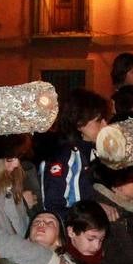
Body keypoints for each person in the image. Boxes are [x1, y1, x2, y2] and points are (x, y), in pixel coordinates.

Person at [39, 89, 109, 218]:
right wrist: (92, 213)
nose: (105, 125)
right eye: (99, 121)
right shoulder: (63, 156)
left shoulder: (94, 153)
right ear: (79, 122)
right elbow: (52, 207)